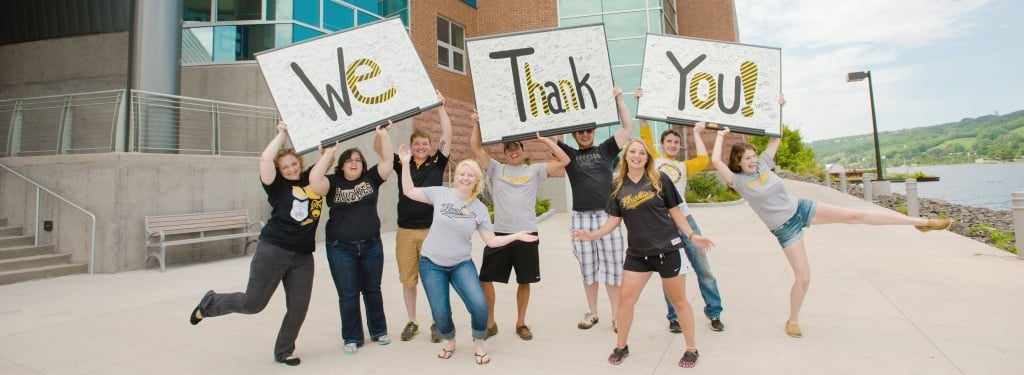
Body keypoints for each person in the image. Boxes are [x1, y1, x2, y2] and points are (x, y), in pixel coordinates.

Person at [710, 120, 952, 339]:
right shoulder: (738, 181)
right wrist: (721, 135)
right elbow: (715, 161)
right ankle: (793, 320)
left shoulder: (764, 164)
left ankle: (922, 223)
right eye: (747, 159)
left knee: (855, 215)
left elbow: (777, 136)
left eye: (753, 156)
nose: (753, 160)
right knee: (804, 277)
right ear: (738, 164)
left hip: (800, 208)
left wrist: (778, 107)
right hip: (785, 228)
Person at [188, 122, 323, 366]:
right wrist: (282, 135)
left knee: (299, 307)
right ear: (279, 170)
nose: (291, 169)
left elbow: (326, 160)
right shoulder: (276, 186)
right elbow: (264, 160)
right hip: (274, 249)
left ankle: (284, 352)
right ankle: (210, 303)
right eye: (285, 166)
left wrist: (329, 151)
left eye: (294, 164)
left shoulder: (310, 180)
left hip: (303, 256)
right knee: (253, 304)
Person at [573, 139, 714, 368]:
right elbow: (613, 221)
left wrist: (692, 236)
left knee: (680, 302)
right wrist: (592, 235)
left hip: (668, 250)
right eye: (632, 152)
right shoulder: (617, 186)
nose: (637, 156)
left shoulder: (660, 180)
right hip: (638, 254)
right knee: (625, 302)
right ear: (626, 156)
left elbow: (676, 213)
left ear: (647, 157)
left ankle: (691, 349)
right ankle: (621, 346)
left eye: (641, 152)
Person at [396, 144, 539, 365]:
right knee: (440, 312)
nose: (465, 177)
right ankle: (450, 341)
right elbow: (409, 191)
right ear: (456, 177)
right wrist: (405, 164)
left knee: (479, 305)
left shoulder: (479, 209)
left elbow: (491, 240)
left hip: (461, 264)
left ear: (476, 181)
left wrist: (517, 235)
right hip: (431, 263)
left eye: (470, 175)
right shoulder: (441, 194)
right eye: (462, 173)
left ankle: (479, 344)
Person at [469, 114, 570, 341]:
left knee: (524, 280)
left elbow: (564, 161)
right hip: (500, 235)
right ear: (505, 153)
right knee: (485, 278)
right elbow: (476, 148)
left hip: (526, 234)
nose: (513, 151)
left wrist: (543, 140)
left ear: (523, 150)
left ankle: (521, 323)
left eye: (517, 147)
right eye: (509, 148)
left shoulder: (534, 170)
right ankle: (491, 322)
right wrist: (477, 122)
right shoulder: (496, 169)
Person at [636, 88, 726, 333]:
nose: (673, 145)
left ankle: (714, 312)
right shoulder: (654, 161)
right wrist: (641, 107)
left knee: (703, 269)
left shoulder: (686, 167)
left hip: (686, 222)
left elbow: (704, 159)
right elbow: (643, 136)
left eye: (676, 142)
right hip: (663, 226)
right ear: (662, 145)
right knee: (671, 273)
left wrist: (697, 133)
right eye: (669, 142)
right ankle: (673, 316)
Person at [309, 123, 393, 354]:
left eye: (358, 159)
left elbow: (387, 161)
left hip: (371, 246)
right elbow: (315, 181)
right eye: (349, 160)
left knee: (373, 290)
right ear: (342, 166)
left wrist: (383, 135)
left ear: (363, 165)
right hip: (340, 249)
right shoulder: (333, 183)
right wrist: (328, 154)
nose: (354, 163)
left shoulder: (371, 179)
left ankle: (378, 331)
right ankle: (353, 337)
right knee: (348, 294)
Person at [375, 91, 452, 342]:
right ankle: (412, 321)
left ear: (430, 147)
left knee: (434, 278)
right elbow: (381, 151)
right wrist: (382, 133)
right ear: (410, 146)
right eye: (416, 144)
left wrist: (441, 107)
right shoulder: (402, 162)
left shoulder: (437, 163)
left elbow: (447, 135)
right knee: (408, 279)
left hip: (432, 230)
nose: (421, 148)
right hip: (406, 231)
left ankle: (438, 322)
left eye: (424, 145)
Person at [557, 87, 634, 332]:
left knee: (613, 268)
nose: (585, 134)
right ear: (575, 135)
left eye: (589, 130)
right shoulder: (568, 154)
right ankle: (592, 312)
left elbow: (627, 128)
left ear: (594, 131)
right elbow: (552, 136)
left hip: (607, 218)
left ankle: (615, 315)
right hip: (581, 219)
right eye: (580, 131)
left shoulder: (606, 149)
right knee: (588, 269)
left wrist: (620, 100)